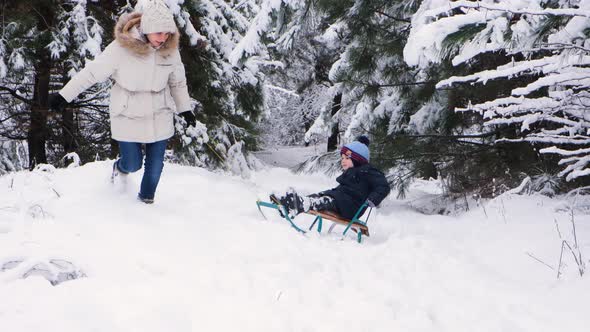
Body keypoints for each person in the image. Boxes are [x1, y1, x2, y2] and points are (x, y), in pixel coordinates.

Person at [48, 0, 196, 204]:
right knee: (133, 163)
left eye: (167, 33)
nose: (164, 38)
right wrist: (64, 95)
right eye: (159, 33)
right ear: (147, 29)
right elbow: (92, 73)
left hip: (160, 111)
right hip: (128, 112)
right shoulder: (121, 48)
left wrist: (185, 109)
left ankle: (146, 203)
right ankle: (119, 169)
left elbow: (177, 83)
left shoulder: (170, 49)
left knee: (155, 167)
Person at [272, 136, 390, 219]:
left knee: (326, 200)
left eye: (347, 158)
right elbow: (344, 189)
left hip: (352, 207)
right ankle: (292, 202)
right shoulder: (352, 172)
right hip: (342, 201)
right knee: (321, 195)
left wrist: (372, 200)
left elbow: (384, 186)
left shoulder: (368, 171)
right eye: (342, 158)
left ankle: (297, 204)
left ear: (358, 160)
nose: (343, 161)